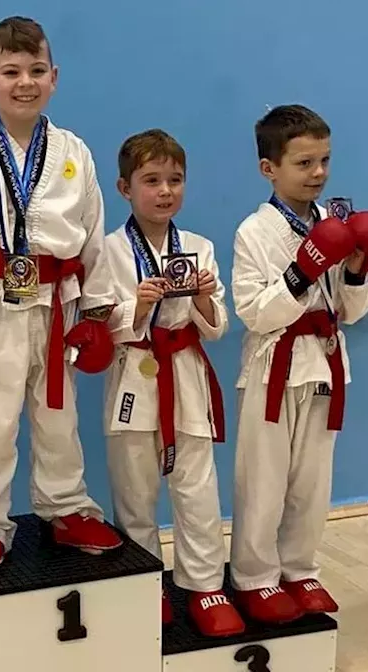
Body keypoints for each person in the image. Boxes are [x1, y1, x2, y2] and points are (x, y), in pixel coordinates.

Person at [0, 15, 123, 572]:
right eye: (10, 71)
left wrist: (98, 312)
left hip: (59, 295)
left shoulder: (73, 152)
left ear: (54, 77)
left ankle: (66, 506)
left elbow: (93, 234)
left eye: (36, 70)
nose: (25, 81)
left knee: (58, 413)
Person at [228, 104, 368, 624]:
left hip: (324, 363)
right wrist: (302, 271)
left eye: (324, 161)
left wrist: (359, 269)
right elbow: (253, 312)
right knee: (265, 479)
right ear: (268, 168)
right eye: (303, 163)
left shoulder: (335, 224)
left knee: (313, 481)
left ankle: (299, 568)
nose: (318, 173)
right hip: (273, 366)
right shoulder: (254, 232)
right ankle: (254, 575)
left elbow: (352, 311)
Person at [100, 129, 245, 637]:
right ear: (125, 188)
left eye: (175, 180)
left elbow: (219, 323)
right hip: (134, 379)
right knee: (135, 491)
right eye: (152, 180)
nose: (165, 191)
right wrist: (135, 306)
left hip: (186, 375)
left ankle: (205, 585)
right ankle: (145, 582)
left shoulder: (200, 248)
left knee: (198, 490)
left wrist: (204, 297)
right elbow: (101, 325)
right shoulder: (109, 251)